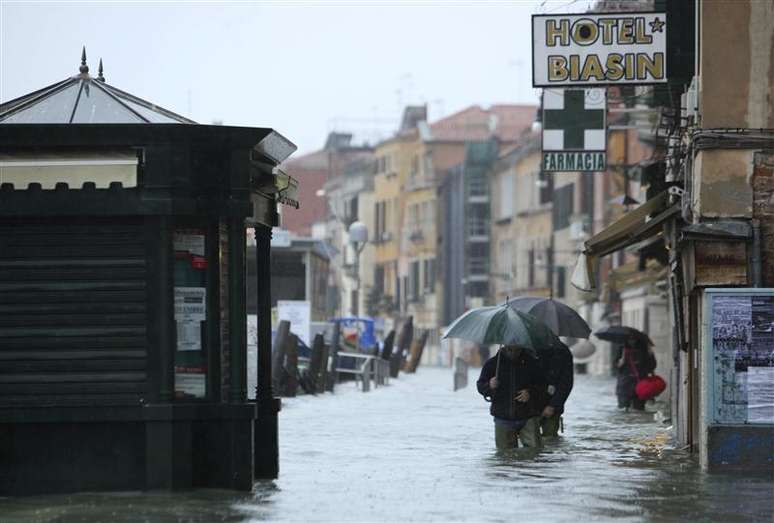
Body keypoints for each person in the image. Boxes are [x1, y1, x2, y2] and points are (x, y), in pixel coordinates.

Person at [477, 344, 547, 450]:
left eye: (517, 348)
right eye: (510, 348)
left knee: (535, 454)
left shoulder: (532, 362)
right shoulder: (493, 364)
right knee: (505, 458)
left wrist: (530, 393)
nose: (513, 351)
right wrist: (489, 385)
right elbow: (480, 386)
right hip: (502, 417)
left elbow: (543, 386)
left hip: (528, 416)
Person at [539, 340, 574, 438]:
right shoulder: (526, 348)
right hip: (527, 409)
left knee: (550, 440)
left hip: (551, 406)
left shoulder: (562, 351)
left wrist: (553, 405)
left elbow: (566, 383)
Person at [615, 335, 656, 411]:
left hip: (640, 383)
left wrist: (651, 354)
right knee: (623, 408)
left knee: (639, 409)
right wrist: (622, 360)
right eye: (629, 339)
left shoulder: (644, 350)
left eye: (634, 339)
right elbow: (617, 366)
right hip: (625, 384)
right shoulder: (622, 349)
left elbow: (652, 366)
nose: (632, 341)